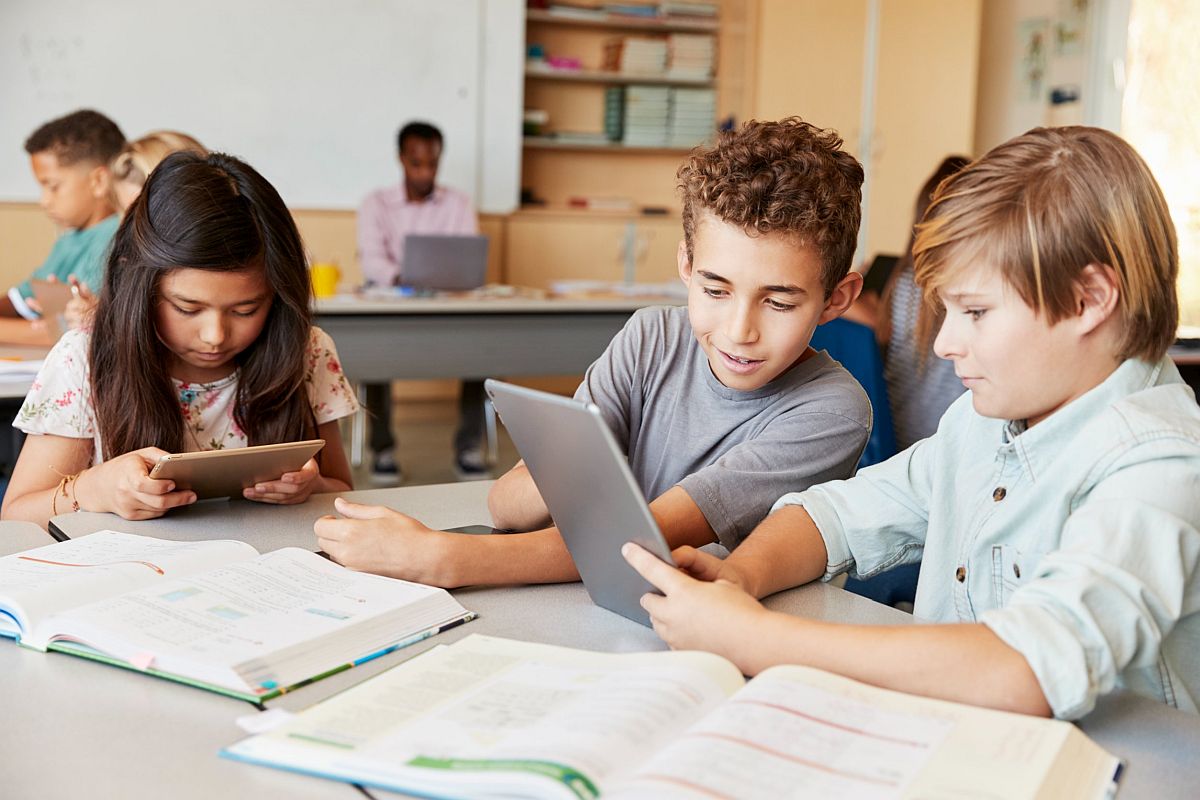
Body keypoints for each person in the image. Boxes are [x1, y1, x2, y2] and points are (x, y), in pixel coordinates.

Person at [623, 126, 1200, 720]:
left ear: (1089, 300)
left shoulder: (1158, 462)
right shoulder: (980, 423)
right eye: (947, 311)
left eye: (975, 312)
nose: (947, 343)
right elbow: (834, 516)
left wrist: (753, 639)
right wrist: (738, 578)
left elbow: (1028, 669)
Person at [316, 117, 873, 588]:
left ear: (836, 298)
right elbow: (505, 507)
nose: (739, 330)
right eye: (715, 290)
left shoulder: (832, 410)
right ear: (685, 266)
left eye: (778, 302)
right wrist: (568, 466)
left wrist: (437, 558)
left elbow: (638, 541)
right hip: (605, 604)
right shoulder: (650, 338)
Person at [2, 152, 358, 527]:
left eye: (245, 310)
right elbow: (16, 516)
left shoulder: (307, 352)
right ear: (140, 285)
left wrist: (312, 485)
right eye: (187, 309)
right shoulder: (85, 359)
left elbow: (342, 490)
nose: (215, 336)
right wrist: (92, 489)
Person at [357, 120, 483, 481]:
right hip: (395, 307)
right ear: (401, 159)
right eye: (417, 163)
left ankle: (469, 447)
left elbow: (465, 255)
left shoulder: (458, 203)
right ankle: (382, 450)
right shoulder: (376, 204)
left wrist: (441, 279)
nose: (425, 172)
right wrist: (405, 277)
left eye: (432, 164)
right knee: (378, 354)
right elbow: (372, 261)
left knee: (482, 349)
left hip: (449, 307)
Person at [65, 130, 208, 330]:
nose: (126, 225)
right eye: (123, 212)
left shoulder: (204, 268)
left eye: (140, 212)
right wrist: (98, 314)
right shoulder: (127, 260)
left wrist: (106, 323)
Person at [2, 109, 124, 320]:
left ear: (99, 182)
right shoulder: (69, 239)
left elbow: (76, 329)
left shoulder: (115, 239)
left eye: (53, 186)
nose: (44, 201)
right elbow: (20, 299)